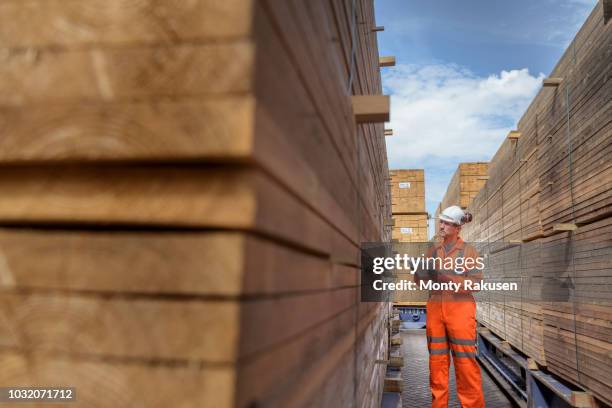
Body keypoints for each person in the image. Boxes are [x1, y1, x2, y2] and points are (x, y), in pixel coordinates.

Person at [414, 205, 485, 408]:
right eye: (441, 221)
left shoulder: (469, 252)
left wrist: (448, 278)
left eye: (446, 223)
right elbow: (420, 283)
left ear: (457, 228)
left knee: (465, 367)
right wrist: (420, 272)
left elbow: (476, 284)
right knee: (437, 367)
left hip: (460, 314)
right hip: (436, 314)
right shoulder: (432, 251)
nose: (441, 225)